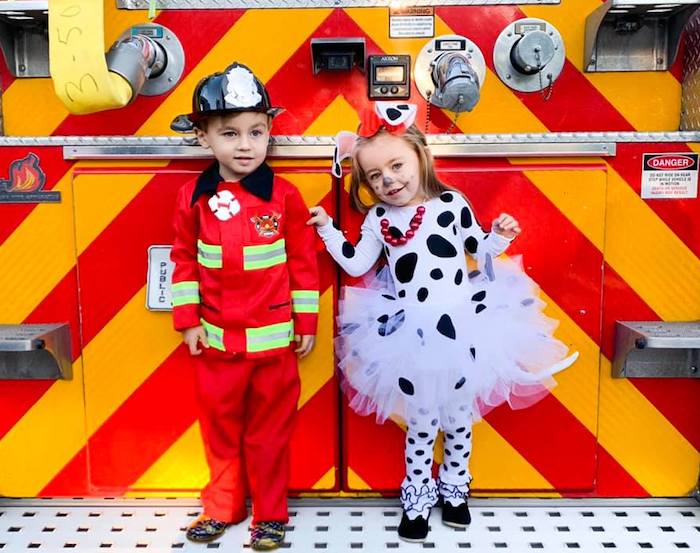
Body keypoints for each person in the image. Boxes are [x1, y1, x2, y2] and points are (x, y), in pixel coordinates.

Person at [307, 102, 577, 543]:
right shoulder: (378, 220)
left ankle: (455, 490)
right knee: (421, 419)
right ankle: (416, 497)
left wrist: (501, 235)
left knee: (457, 417)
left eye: (396, 165)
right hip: (410, 335)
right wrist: (327, 230)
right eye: (375, 176)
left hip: (463, 326)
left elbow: (479, 248)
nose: (388, 180)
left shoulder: (450, 204)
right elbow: (356, 263)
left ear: (419, 154)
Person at [170, 62, 319, 551]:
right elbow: (184, 260)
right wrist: (188, 321)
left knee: (269, 436)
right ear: (203, 137)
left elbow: (301, 263)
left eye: (257, 131)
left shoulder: (285, 197)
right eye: (229, 133)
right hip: (216, 347)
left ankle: (271, 516)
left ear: (270, 131)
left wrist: (308, 322)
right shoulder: (192, 197)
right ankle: (222, 508)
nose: (245, 145)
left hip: (275, 349)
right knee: (220, 433)